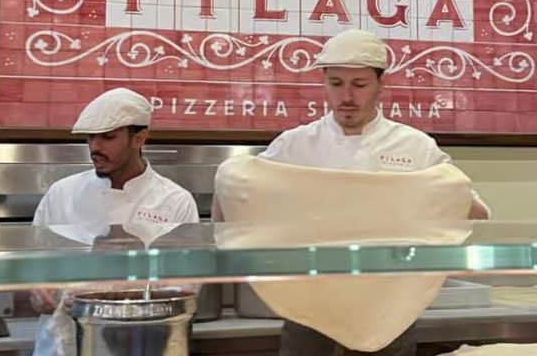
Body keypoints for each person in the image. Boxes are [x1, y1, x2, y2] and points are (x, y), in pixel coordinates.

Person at [214, 29, 490, 356]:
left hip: (388, 306)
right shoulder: (295, 145)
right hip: (310, 304)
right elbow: (246, 192)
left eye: (359, 85)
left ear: (380, 84)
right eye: (336, 84)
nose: (347, 96)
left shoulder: (415, 147)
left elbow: (461, 203)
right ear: (324, 84)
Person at [31, 87, 199, 356]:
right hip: (63, 344)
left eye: (108, 138)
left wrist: (115, 293)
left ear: (139, 138)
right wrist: (38, 291)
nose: (95, 147)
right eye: (90, 138)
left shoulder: (175, 201)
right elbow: (31, 267)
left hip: (145, 344)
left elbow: (184, 289)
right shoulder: (61, 194)